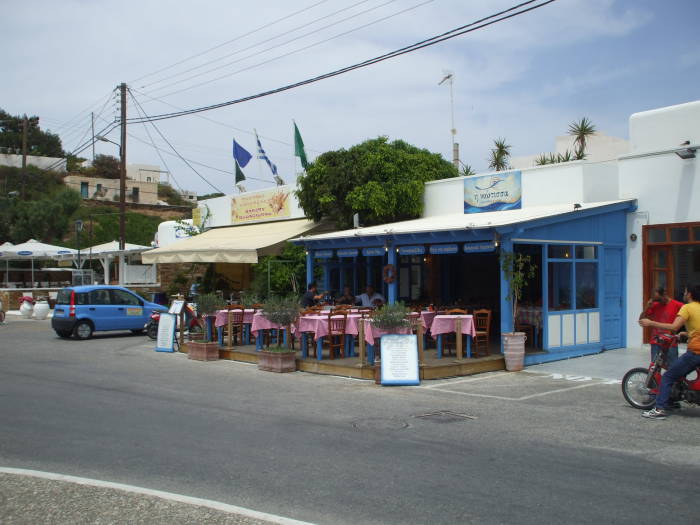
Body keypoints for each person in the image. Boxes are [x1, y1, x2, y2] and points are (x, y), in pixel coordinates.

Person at [639, 283, 700, 419]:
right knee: (677, 374)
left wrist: (651, 323)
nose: (683, 293)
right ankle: (672, 400)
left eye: (684, 291)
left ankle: (660, 409)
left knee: (668, 376)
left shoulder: (686, 307)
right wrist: (685, 333)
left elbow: (674, 326)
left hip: (695, 351)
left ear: (689, 294)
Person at [639, 286, 683, 367]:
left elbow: (689, 315)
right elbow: (641, 321)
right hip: (656, 342)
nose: (657, 302)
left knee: (672, 368)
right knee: (655, 368)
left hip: (670, 342)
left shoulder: (677, 305)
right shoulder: (655, 305)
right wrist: (647, 307)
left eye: (659, 299)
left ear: (664, 294)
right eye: (655, 300)